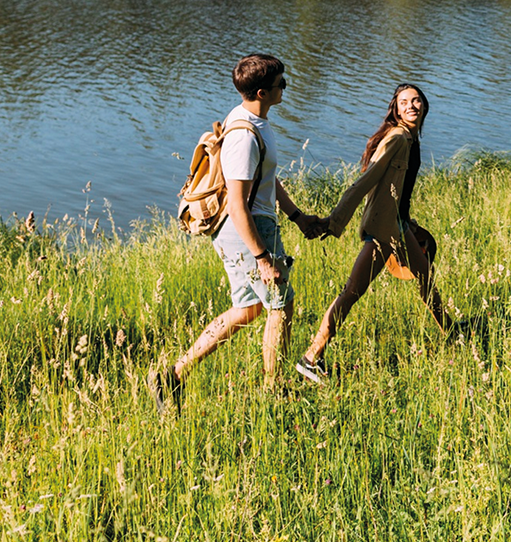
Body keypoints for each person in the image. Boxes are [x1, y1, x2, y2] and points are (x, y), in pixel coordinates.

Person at [151, 53, 323, 411]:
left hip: (254, 223)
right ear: (262, 92)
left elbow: (265, 177)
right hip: (245, 228)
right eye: (281, 84)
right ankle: (275, 390)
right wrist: (262, 257)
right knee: (281, 304)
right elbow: (237, 205)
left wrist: (296, 216)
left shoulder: (250, 118)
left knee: (247, 310)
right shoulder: (244, 136)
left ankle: (172, 376)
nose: (286, 88)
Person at [294, 83, 449, 384]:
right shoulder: (398, 139)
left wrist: (410, 224)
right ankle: (312, 357)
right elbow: (365, 183)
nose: (411, 106)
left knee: (426, 279)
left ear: (425, 106)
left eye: (416, 100)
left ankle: (452, 332)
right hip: (384, 232)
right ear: (395, 108)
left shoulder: (410, 140)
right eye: (404, 102)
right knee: (352, 291)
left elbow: (396, 194)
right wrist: (333, 221)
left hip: (399, 227)